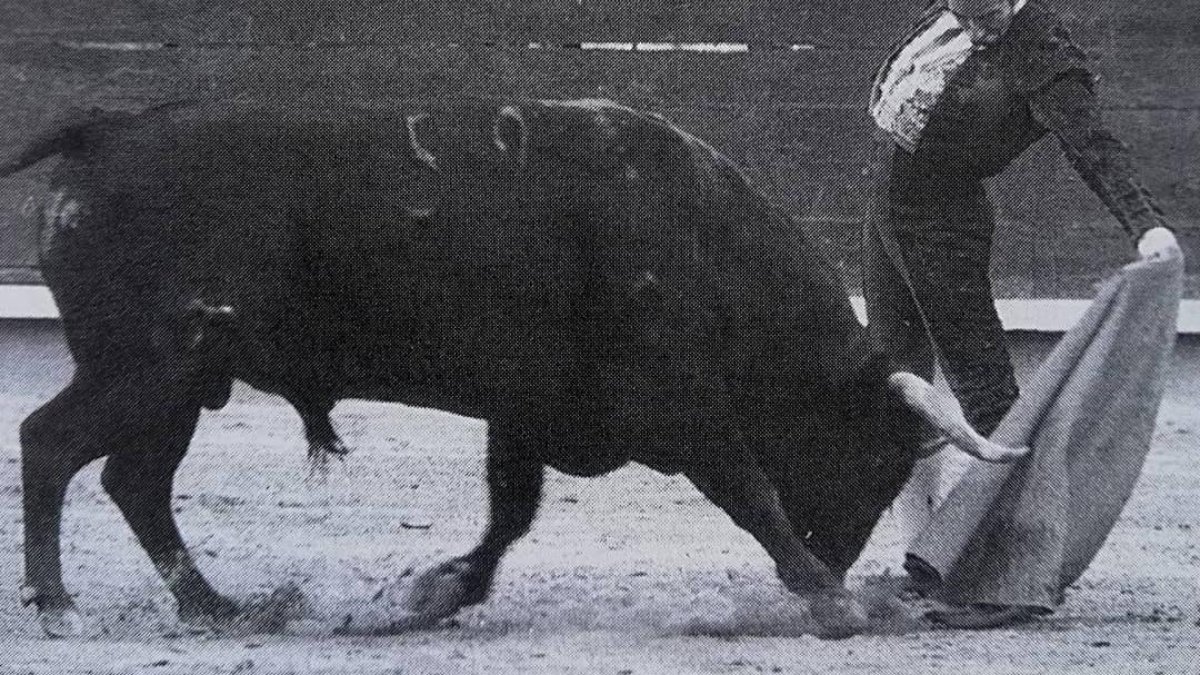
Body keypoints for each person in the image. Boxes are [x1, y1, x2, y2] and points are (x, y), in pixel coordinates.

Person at [863, 0, 1181, 627]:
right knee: (899, 383)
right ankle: (929, 562)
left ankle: (1013, 579)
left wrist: (1145, 226)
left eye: (979, 12)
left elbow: (1091, 145)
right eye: (960, 9)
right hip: (887, 210)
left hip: (941, 225)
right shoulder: (957, 12)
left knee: (988, 399)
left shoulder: (1043, 52)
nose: (968, 22)